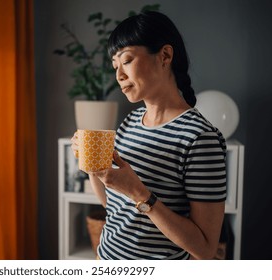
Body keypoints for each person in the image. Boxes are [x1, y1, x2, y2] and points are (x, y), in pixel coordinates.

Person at [71, 11, 226, 260]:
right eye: (115, 66)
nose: (119, 75)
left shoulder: (200, 138)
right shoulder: (129, 123)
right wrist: (91, 165)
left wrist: (141, 194)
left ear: (165, 55)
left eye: (127, 60)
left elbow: (206, 250)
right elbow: (112, 206)